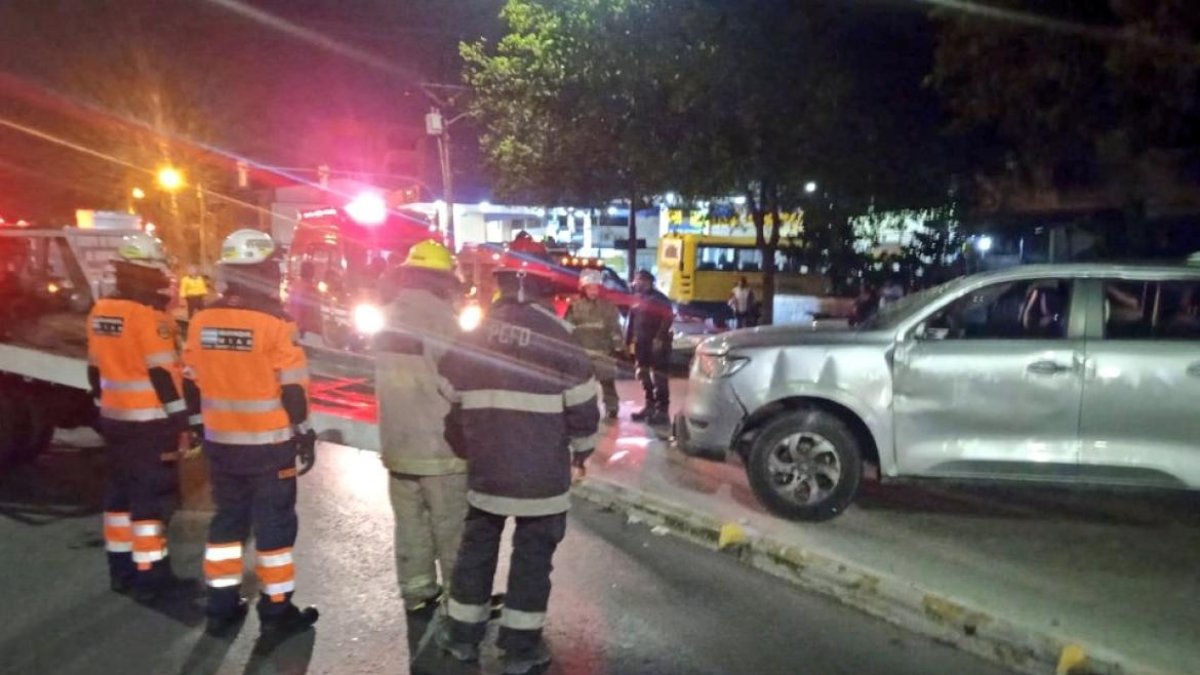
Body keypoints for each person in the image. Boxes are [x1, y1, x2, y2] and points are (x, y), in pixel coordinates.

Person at [437, 256, 600, 675]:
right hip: (541, 475)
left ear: (501, 284)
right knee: (532, 558)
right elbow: (583, 406)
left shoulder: (472, 334)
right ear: (545, 287)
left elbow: (449, 394)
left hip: (487, 467)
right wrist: (582, 451)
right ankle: (520, 650)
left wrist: (466, 445)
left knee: (476, 550)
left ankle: (461, 639)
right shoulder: (560, 336)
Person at [183, 229, 319, 639]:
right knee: (274, 530)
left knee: (227, 524)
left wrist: (195, 426)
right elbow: (292, 388)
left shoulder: (202, 319)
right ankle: (277, 613)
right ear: (264, 270)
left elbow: (190, 382)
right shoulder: (276, 323)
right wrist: (305, 432)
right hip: (269, 446)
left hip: (221, 443)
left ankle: (220, 607)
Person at [86, 232, 192, 601]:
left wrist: (103, 406)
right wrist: (181, 423)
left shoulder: (102, 311)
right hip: (149, 423)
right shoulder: (151, 319)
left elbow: (95, 371)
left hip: (113, 418)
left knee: (119, 494)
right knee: (151, 500)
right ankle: (152, 577)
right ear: (148, 272)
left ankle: (121, 569)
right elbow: (163, 377)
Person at [373, 239, 468, 615]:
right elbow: (456, 383)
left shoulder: (387, 314)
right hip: (439, 446)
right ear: (444, 280)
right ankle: (461, 600)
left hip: (397, 443)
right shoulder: (443, 320)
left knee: (409, 523)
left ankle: (416, 591)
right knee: (451, 526)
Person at [564, 268, 624, 421]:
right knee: (582, 384)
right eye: (590, 288)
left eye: (595, 287)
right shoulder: (575, 306)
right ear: (583, 289)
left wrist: (618, 347)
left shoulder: (608, 307)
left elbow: (614, 327)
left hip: (603, 351)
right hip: (583, 352)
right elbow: (568, 327)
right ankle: (583, 408)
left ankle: (612, 407)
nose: (593, 291)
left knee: (608, 381)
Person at [626, 269, 673, 425]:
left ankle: (662, 411)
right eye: (636, 280)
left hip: (657, 343)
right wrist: (628, 341)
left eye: (640, 280)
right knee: (644, 375)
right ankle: (650, 406)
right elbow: (631, 321)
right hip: (641, 343)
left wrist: (659, 339)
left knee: (659, 377)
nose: (637, 283)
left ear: (649, 282)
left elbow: (667, 318)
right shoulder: (637, 299)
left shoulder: (659, 299)